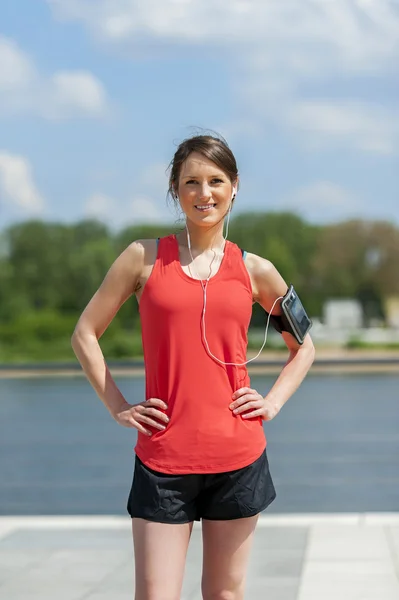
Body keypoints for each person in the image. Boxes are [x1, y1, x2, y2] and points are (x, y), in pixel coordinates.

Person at [71, 133, 315, 600]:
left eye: (216, 181)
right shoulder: (142, 258)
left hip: (238, 457)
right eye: (192, 182)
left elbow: (304, 347)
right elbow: (84, 333)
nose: (205, 193)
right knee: (156, 594)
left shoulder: (256, 270)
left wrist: (273, 401)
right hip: (163, 458)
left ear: (235, 186)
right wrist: (118, 406)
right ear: (175, 189)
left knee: (224, 593)